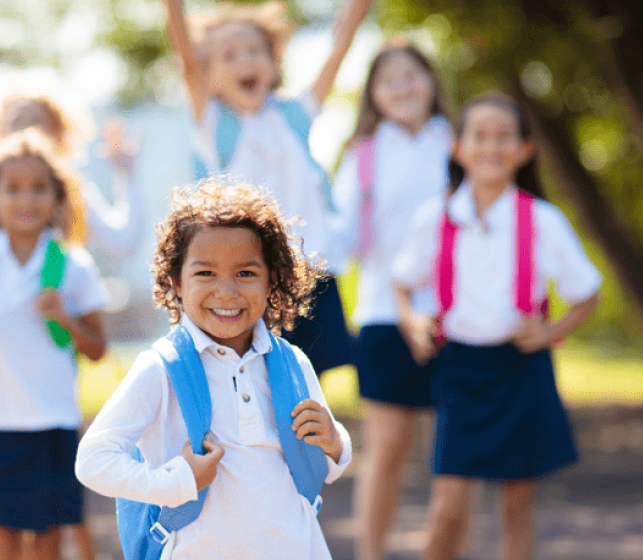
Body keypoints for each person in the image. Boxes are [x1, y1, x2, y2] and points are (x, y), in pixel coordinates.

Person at [75, 179, 353, 559]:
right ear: (176, 281)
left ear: (272, 280)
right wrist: (176, 481)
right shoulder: (161, 368)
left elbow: (325, 463)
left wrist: (335, 442)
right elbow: (93, 460)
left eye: (245, 274)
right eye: (205, 273)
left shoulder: (292, 363)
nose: (226, 291)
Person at [393, 93, 601, 560]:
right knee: (447, 510)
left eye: (504, 136)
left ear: (525, 150)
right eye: (480, 136)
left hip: (520, 369)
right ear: (458, 148)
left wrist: (550, 331)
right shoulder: (435, 217)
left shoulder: (542, 220)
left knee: (516, 504)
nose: (491, 146)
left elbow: (588, 292)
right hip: (459, 369)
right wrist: (411, 320)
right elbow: (402, 282)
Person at [161, 0, 371, 375]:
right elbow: (188, 61)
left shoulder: (293, 116)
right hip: (251, 280)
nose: (245, 60)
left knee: (311, 375)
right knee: (258, 376)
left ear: (274, 65)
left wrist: (355, 13)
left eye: (254, 50)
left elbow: (338, 51)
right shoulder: (214, 123)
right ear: (209, 75)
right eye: (229, 55)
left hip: (311, 271)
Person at [0, 129, 110, 560]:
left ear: (58, 197)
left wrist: (64, 318)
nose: (26, 199)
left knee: (48, 540)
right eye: (12, 188)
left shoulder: (75, 266)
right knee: (0, 539)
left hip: (52, 422)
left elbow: (97, 348)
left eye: (38, 188)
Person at [330, 39, 454, 560]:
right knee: (387, 452)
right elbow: (339, 240)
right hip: (384, 315)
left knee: (457, 458)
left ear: (431, 80)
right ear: (374, 95)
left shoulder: (459, 143)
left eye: (412, 75)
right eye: (388, 81)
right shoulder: (362, 155)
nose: (402, 88)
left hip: (460, 318)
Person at [0, 93, 144, 264]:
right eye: (15, 122)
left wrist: (126, 174)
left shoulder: (71, 187)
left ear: (57, 131)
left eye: (34, 122)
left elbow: (124, 243)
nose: (25, 133)